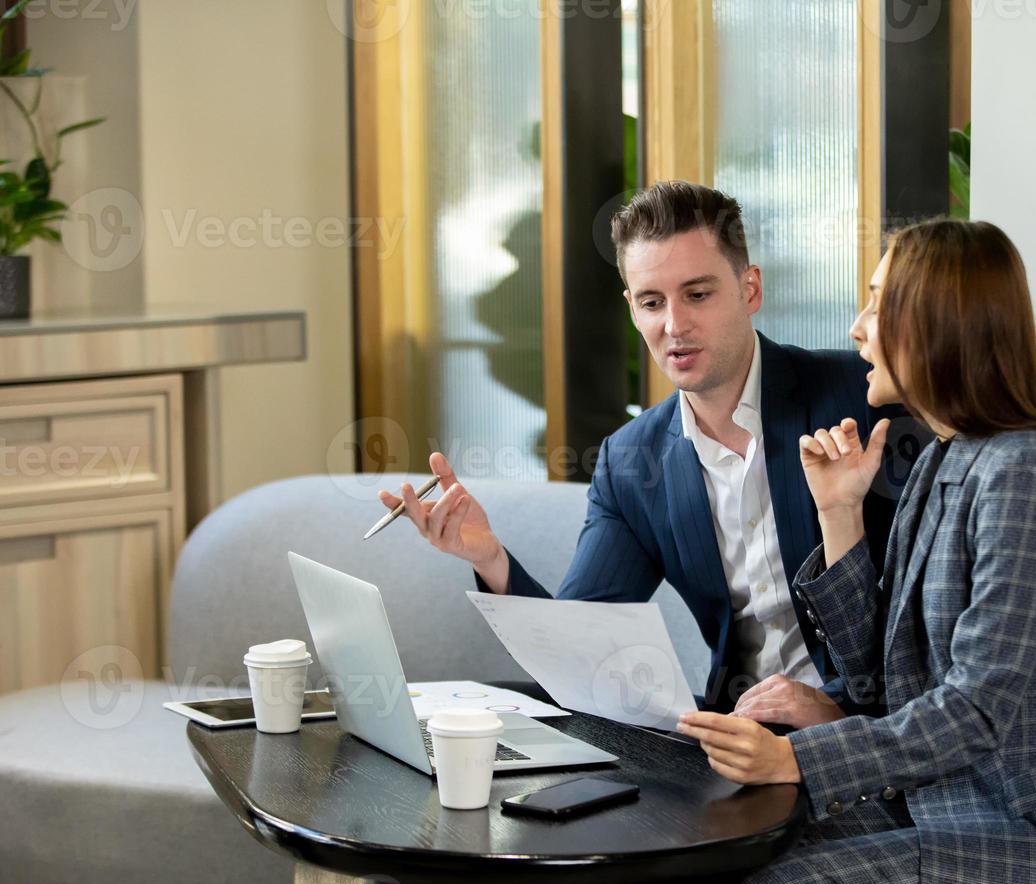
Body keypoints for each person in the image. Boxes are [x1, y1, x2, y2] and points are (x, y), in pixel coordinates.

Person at [676, 218, 1036, 884]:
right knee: (729, 855)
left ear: (933, 320)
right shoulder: (946, 458)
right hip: (953, 807)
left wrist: (797, 761)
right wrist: (840, 512)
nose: (857, 328)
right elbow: (884, 680)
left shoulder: (1027, 473)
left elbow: (975, 709)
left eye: (876, 303)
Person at [380, 180, 913, 724]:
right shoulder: (631, 462)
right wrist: (489, 558)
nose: (674, 326)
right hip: (733, 738)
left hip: (869, 741)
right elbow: (582, 645)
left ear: (749, 289)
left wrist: (840, 706)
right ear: (632, 307)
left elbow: (930, 620)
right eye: (653, 302)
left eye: (698, 295)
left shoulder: (864, 396)